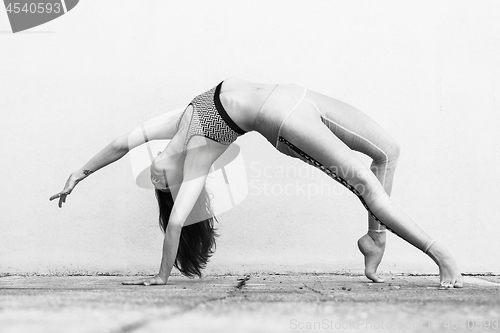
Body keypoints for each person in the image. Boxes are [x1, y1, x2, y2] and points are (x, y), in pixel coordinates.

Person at [50, 77, 464, 288]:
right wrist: (161, 276)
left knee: (387, 151)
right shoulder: (197, 156)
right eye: (160, 180)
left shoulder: (175, 121)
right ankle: (440, 254)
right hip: (283, 122)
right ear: (171, 181)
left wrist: (79, 174)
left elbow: (119, 144)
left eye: (151, 167)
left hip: (297, 94)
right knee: (361, 180)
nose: (154, 170)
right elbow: (176, 224)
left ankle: (375, 240)